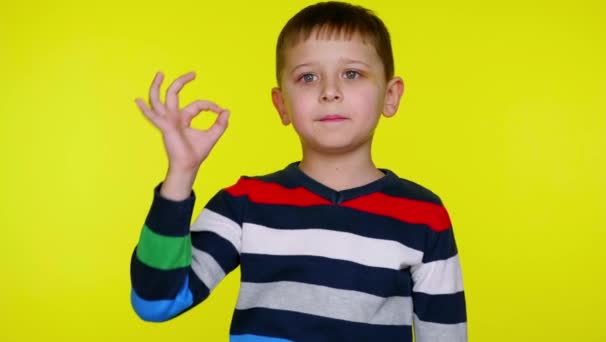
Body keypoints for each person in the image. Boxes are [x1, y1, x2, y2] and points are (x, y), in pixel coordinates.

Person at [130, 1, 467, 341]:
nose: (330, 92)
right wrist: (180, 175)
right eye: (308, 77)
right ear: (282, 104)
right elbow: (156, 302)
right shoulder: (243, 204)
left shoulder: (424, 216)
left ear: (390, 96)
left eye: (352, 74)